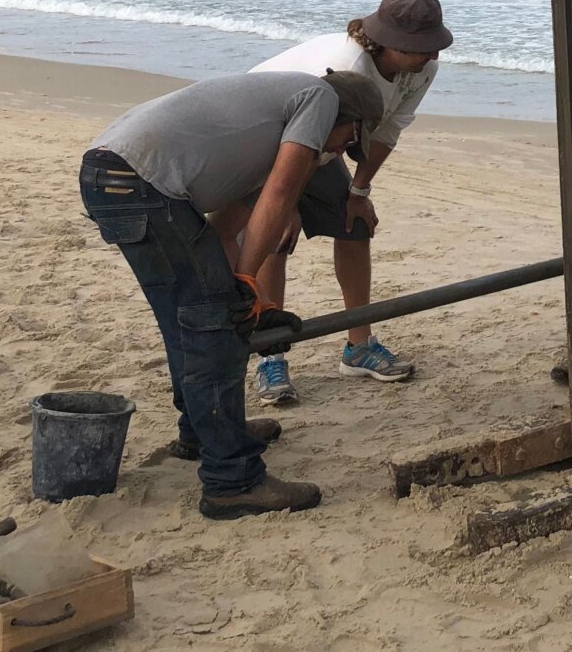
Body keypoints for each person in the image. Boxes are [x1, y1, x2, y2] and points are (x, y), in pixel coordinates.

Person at [80, 70, 383, 519]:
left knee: (193, 315)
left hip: (111, 174)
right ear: (347, 118)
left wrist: (246, 297)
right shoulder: (319, 98)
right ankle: (232, 481)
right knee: (210, 325)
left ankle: (203, 433)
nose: (339, 151)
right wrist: (237, 295)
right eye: (346, 141)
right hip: (142, 183)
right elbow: (280, 196)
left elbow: (223, 229)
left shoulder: (262, 135)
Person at [233, 0, 452, 403]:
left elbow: (388, 129)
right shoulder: (342, 68)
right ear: (387, 42)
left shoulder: (424, 69)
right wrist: (285, 207)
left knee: (356, 228)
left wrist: (358, 190)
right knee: (274, 240)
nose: (430, 54)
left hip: (321, 143)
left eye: (433, 45)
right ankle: (271, 355)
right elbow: (293, 140)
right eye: (420, 47)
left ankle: (359, 345)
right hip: (267, 141)